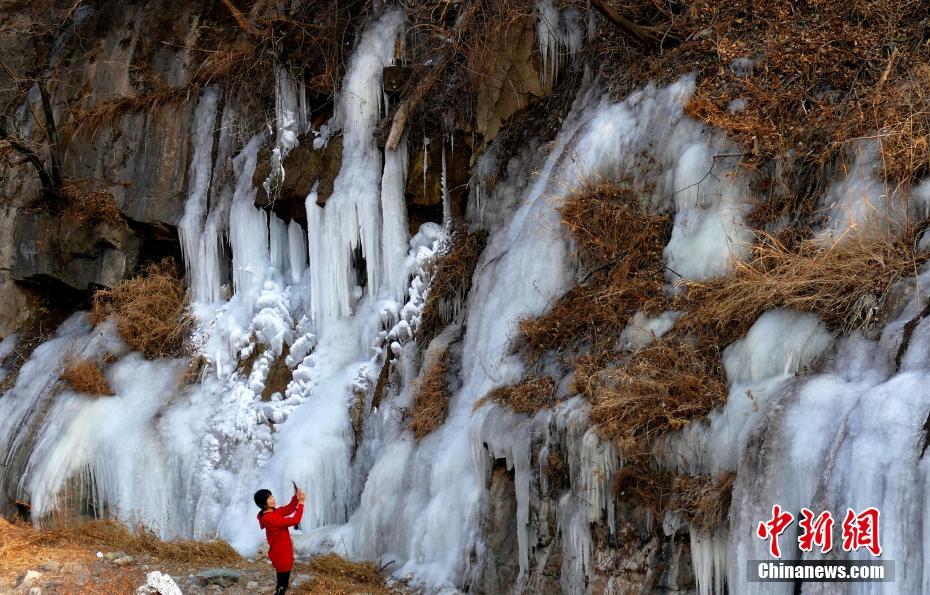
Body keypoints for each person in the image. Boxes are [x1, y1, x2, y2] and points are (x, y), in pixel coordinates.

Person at [254, 486, 306, 594]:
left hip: (281, 551)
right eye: (269, 498)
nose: (273, 499)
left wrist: (296, 498)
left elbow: (289, 508)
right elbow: (295, 520)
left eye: (272, 496)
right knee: (283, 583)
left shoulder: (272, 512)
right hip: (281, 554)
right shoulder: (270, 518)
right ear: (264, 504)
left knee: (282, 580)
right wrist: (301, 503)